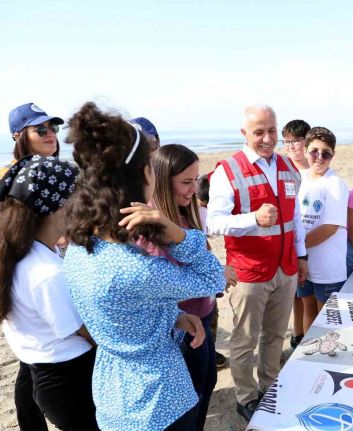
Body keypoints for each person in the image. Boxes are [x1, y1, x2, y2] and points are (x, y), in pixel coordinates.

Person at [63, 102, 225, 431]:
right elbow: (212, 276)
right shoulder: (133, 268)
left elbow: (125, 312)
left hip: (114, 393)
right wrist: (175, 230)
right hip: (158, 400)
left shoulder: (81, 246)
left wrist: (174, 315)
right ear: (142, 176)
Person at [207, 105, 307, 420]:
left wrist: (301, 255)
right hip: (249, 273)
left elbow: (296, 219)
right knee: (244, 339)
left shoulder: (289, 168)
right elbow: (214, 223)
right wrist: (254, 219)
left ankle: (268, 386)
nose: (267, 138)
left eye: (272, 131)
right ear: (244, 133)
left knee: (275, 335)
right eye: (258, 132)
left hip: (286, 267)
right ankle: (245, 396)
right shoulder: (228, 170)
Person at [0, 155, 99, 431]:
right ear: (59, 206)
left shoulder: (24, 248)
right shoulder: (45, 273)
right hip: (69, 378)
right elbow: (86, 331)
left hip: (45, 372)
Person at [146, 144, 237, 430]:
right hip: (181, 325)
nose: (193, 190)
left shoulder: (186, 215)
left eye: (196, 181)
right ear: (162, 181)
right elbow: (164, 285)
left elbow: (201, 256)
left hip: (203, 314)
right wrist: (216, 274)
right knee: (191, 397)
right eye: (186, 182)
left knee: (207, 380)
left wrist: (213, 281)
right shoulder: (155, 226)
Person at [297, 126, 349, 326]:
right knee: (307, 308)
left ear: (332, 155)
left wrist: (297, 249)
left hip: (327, 266)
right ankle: (306, 352)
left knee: (327, 319)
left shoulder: (335, 184)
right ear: (305, 150)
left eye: (326, 153)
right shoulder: (300, 178)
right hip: (304, 263)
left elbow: (330, 227)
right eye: (314, 151)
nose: (319, 157)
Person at [195, 173, 230, 369]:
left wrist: (215, 269)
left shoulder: (206, 207)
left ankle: (210, 350)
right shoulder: (190, 206)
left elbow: (204, 241)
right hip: (194, 276)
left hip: (206, 269)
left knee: (212, 314)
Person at [281, 119, 311, 349]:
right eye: (287, 141)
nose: (290, 146)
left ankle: (305, 333)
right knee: (294, 293)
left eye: (295, 141)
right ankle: (296, 331)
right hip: (290, 239)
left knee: (307, 292)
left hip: (313, 239)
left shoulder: (314, 168)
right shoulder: (282, 167)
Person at [1, 103, 64, 177]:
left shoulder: (64, 172)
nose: (51, 134)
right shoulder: (5, 177)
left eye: (53, 127)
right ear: (18, 137)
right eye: (41, 130)